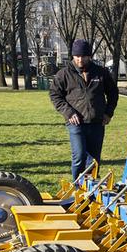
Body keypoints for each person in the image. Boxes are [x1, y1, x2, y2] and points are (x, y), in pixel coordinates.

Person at [50, 39, 118, 181]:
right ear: (73, 56)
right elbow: (55, 95)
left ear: (89, 56)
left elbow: (113, 93)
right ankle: (76, 187)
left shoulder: (101, 72)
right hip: (75, 122)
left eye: (83, 56)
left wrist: (108, 112)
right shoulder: (64, 74)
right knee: (79, 155)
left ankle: (90, 190)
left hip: (97, 122)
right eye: (77, 56)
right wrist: (68, 112)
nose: (80, 59)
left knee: (94, 160)